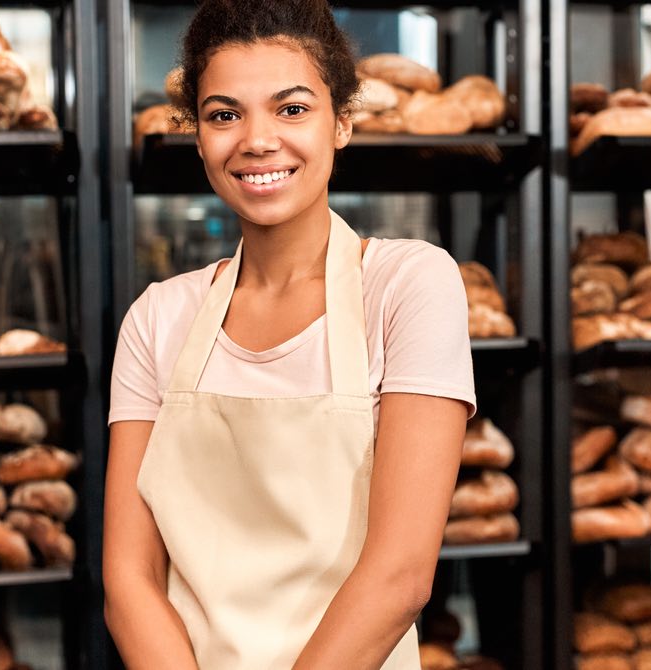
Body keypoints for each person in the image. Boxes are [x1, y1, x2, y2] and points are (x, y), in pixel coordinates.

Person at [103, 1, 476, 667]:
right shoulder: (157, 318)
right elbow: (129, 583)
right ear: (198, 136)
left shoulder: (409, 286)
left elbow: (401, 576)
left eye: (293, 108)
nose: (256, 139)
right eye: (224, 114)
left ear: (343, 123)